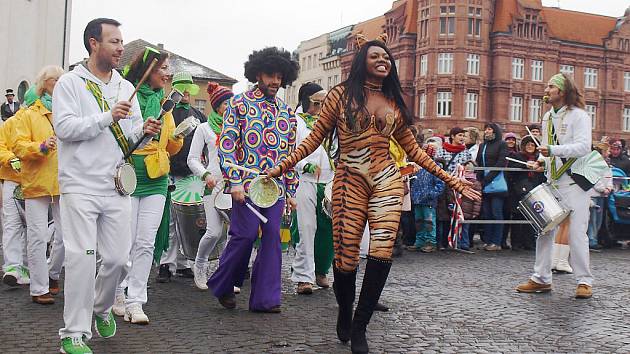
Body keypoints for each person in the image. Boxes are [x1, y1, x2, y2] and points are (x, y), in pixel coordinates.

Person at [266, 34, 479, 353]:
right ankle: (344, 309)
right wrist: (282, 166)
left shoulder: (393, 101)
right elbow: (314, 140)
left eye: (387, 58)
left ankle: (360, 326)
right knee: (346, 257)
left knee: (380, 251)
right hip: (349, 180)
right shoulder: (339, 95)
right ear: (362, 61)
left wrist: (451, 179)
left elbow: (414, 151)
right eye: (375, 56)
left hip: (387, 181)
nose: (384, 60)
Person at [53, 18, 160, 353]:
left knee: (117, 260)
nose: (120, 49)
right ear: (93, 43)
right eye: (114, 41)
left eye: (121, 42)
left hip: (116, 185)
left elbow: (130, 137)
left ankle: (100, 309)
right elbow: (65, 129)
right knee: (82, 258)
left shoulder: (126, 88)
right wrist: (107, 117)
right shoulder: (70, 84)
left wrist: (146, 131)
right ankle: (73, 333)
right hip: (79, 186)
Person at [207, 47, 300, 313]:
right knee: (244, 235)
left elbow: (291, 155)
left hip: (276, 188)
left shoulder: (287, 112)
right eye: (270, 75)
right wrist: (234, 181)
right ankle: (224, 284)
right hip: (246, 187)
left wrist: (291, 190)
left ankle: (265, 299)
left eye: (280, 76)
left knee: (272, 237)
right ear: (258, 74)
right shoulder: (239, 104)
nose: (275, 81)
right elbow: (226, 147)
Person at [113, 47, 183, 324]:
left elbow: (170, 145)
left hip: (156, 177)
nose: (168, 74)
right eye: (164, 68)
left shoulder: (165, 103)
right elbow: (120, 139)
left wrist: (177, 136)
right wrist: (142, 131)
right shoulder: (127, 95)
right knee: (124, 243)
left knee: (145, 242)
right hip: (129, 175)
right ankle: (116, 292)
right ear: (149, 70)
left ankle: (136, 300)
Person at [516, 72, 594, 299]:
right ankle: (541, 278)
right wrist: (540, 161)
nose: (546, 89)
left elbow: (583, 147)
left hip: (575, 181)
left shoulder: (580, 115)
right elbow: (546, 146)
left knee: (578, 232)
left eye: (551, 86)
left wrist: (552, 151)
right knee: (544, 229)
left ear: (562, 91)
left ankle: (584, 281)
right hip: (553, 180)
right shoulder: (548, 116)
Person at [13, 65, 66, 305]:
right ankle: (39, 287)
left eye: (60, 80)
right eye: (52, 80)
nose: (56, 83)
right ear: (43, 84)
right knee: (37, 235)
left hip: (65, 181)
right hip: (36, 180)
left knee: (66, 237)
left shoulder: (68, 110)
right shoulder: (29, 114)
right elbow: (19, 145)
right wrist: (41, 147)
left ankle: (53, 274)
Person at [157, 71, 205, 282]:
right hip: (169, 173)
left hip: (191, 175)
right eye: (182, 86)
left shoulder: (199, 115)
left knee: (189, 221)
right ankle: (166, 263)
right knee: (169, 221)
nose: (186, 91)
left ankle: (184, 262)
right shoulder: (166, 112)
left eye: (189, 87)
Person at [187, 82, 234, 290]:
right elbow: (192, 159)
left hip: (235, 185)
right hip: (213, 185)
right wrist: (205, 174)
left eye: (231, 103)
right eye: (225, 103)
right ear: (216, 106)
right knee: (214, 232)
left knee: (235, 234)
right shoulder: (204, 128)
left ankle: (223, 276)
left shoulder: (239, 127)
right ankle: (200, 265)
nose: (229, 107)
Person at [290, 82, 335, 295]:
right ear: (307, 100)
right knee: (306, 228)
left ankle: (320, 270)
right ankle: (303, 277)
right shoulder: (295, 123)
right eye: (317, 102)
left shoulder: (331, 123)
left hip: (329, 181)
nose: (321, 107)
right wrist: (303, 165)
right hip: (304, 181)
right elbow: (288, 153)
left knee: (328, 229)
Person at [0, 92, 32, 287]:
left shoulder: (48, 121)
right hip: (13, 180)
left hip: (36, 182)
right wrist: (11, 159)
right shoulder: (10, 123)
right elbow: (1, 147)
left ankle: (29, 266)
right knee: (11, 223)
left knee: (35, 228)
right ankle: (12, 266)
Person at [506, 136, 545, 250]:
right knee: (518, 217)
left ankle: (529, 242)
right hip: (518, 191)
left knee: (532, 217)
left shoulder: (540, 159)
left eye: (532, 145)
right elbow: (511, 170)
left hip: (534, 190)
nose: (530, 147)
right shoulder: (517, 156)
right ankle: (516, 243)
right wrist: (525, 165)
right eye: (528, 144)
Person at [476, 123, 508, 251]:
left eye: (489, 129)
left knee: (496, 212)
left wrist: (487, 179)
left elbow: (501, 162)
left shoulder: (501, 144)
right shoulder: (483, 145)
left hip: (496, 183)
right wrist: (480, 178)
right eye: (486, 129)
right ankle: (488, 240)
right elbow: (479, 162)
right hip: (485, 182)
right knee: (487, 213)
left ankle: (497, 241)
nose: (487, 132)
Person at [408, 160, 445, 252]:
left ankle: (431, 243)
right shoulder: (417, 166)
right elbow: (413, 181)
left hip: (429, 201)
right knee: (419, 222)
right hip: (417, 199)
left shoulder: (434, 166)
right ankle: (420, 242)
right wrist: (413, 194)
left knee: (429, 222)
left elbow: (440, 183)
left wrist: (431, 194)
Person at [587, 143, 612, 250]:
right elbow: (595, 179)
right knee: (592, 219)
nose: (609, 153)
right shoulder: (593, 164)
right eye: (607, 151)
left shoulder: (606, 164)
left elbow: (608, 176)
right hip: (594, 194)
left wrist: (609, 187)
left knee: (598, 220)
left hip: (602, 195)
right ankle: (592, 239)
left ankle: (594, 237)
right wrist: (603, 189)